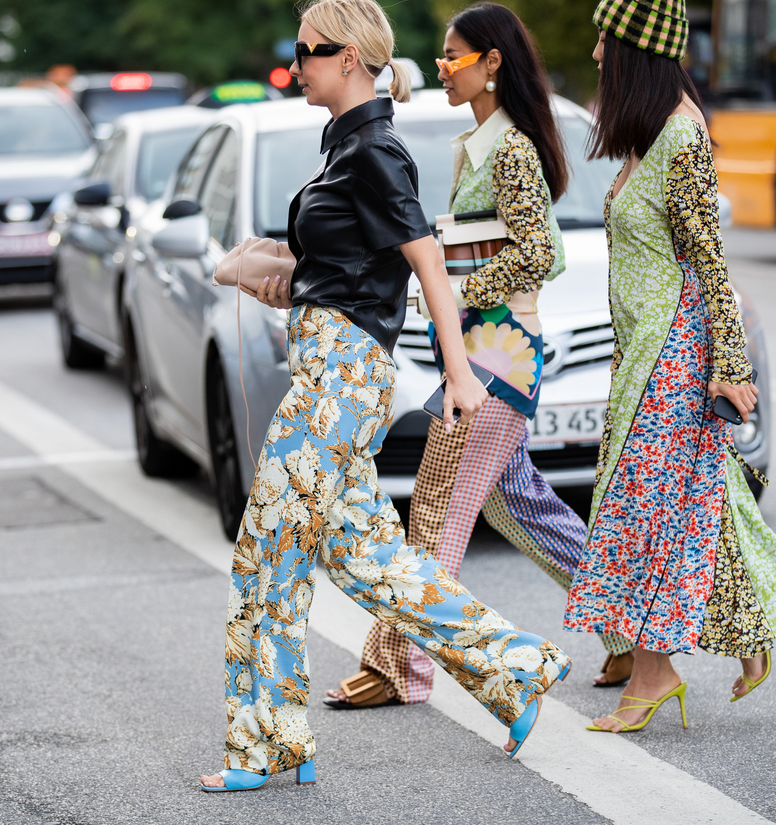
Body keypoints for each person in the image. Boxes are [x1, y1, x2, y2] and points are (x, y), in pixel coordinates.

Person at [198, 0, 572, 793]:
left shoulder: (376, 151)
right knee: (370, 559)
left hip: (340, 380)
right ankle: (513, 666)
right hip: (331, 367)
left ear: (350, 58)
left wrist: (460, 372)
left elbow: (426, 259)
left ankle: (265, 743)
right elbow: (342, 273)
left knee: (265, 552)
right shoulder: (346, 147)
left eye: (308, 50)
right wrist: (258, 267)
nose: (295, 64)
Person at [323, 1, 634, 713]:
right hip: (488, 353)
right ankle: (628, 627)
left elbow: (541, 253)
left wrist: (461, 291)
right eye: (440, 55)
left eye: (453, 55)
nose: (441, 67)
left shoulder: (510, 150)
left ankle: (399, 667)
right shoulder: (480, 144)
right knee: (522, 506)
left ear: (492, 63)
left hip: (498, 355)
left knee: (435, 508)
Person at [564, 0, 776, 733]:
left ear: (635, 50)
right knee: (694, 505)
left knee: (645, 513)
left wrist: (731, 365)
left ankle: (653, 675)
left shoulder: (682, 137)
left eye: (605, 39)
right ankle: (750, 627)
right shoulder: (651, 133)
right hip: (642, 352)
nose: (596, 53)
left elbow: (710, 262)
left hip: (674, 357)